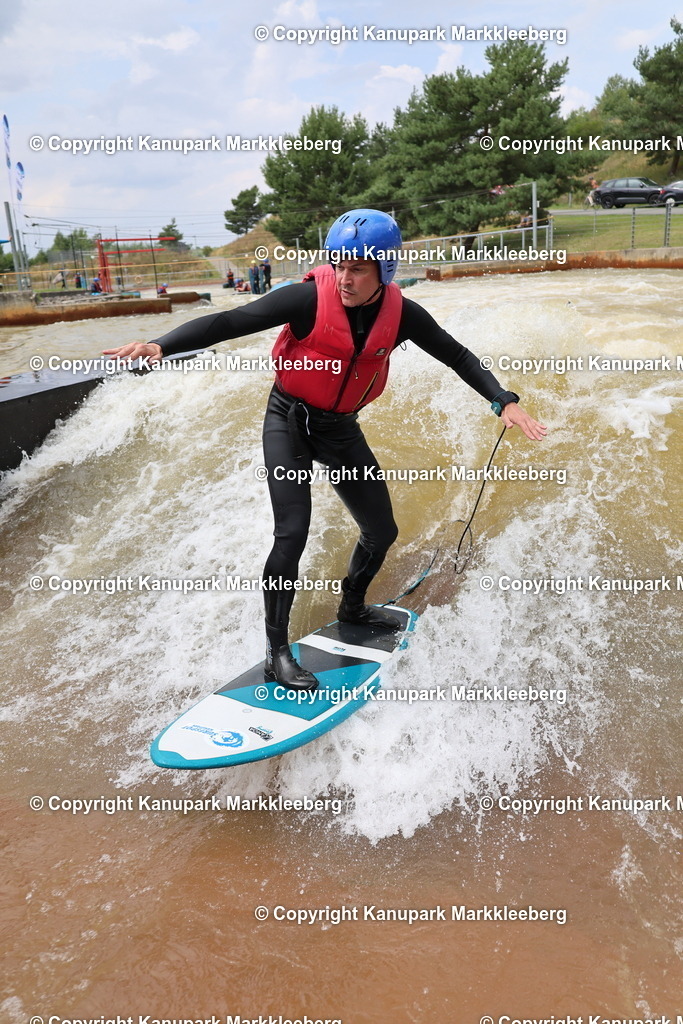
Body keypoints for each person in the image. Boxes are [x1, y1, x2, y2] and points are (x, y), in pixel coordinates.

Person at [104, 209, 545, 691]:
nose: (344, 277)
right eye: (338, 264)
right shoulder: (308, 299)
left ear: (386, 270)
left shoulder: (402, 315)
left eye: (357, 268)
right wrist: (160, 345)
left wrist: (503, 401)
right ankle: (276, 652)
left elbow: (456, 354)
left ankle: (352, 606)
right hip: (288, 423)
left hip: (338, 430)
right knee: (291, 534)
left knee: (382, 531)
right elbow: (229, 321)